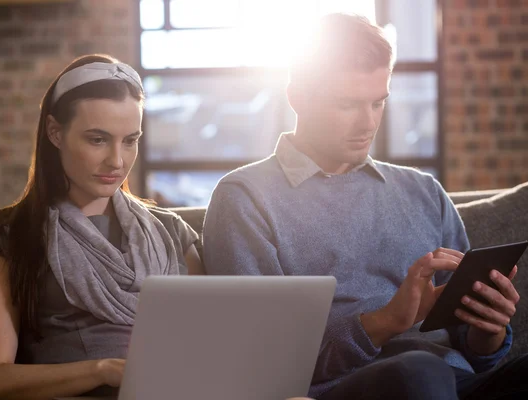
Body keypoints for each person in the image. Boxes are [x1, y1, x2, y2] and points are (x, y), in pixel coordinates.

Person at [203, 14, 528, 400]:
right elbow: (262, 362)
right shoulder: (245, 197)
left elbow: (475, 355)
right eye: (347, 105)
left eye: (378, 102)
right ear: (298, 97)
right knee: (417, 372)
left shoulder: (422, 190)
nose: (368, 123)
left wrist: (487, 332)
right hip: (348, 387)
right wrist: (385, 322)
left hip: (451, 382)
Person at [0, 54, 206, 399]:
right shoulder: (13, 236)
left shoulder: (172, 232)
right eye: (97, 139)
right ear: (54, 132)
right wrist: (102, 370)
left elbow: (215, 343)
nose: (117, 161)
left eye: (130, 140)